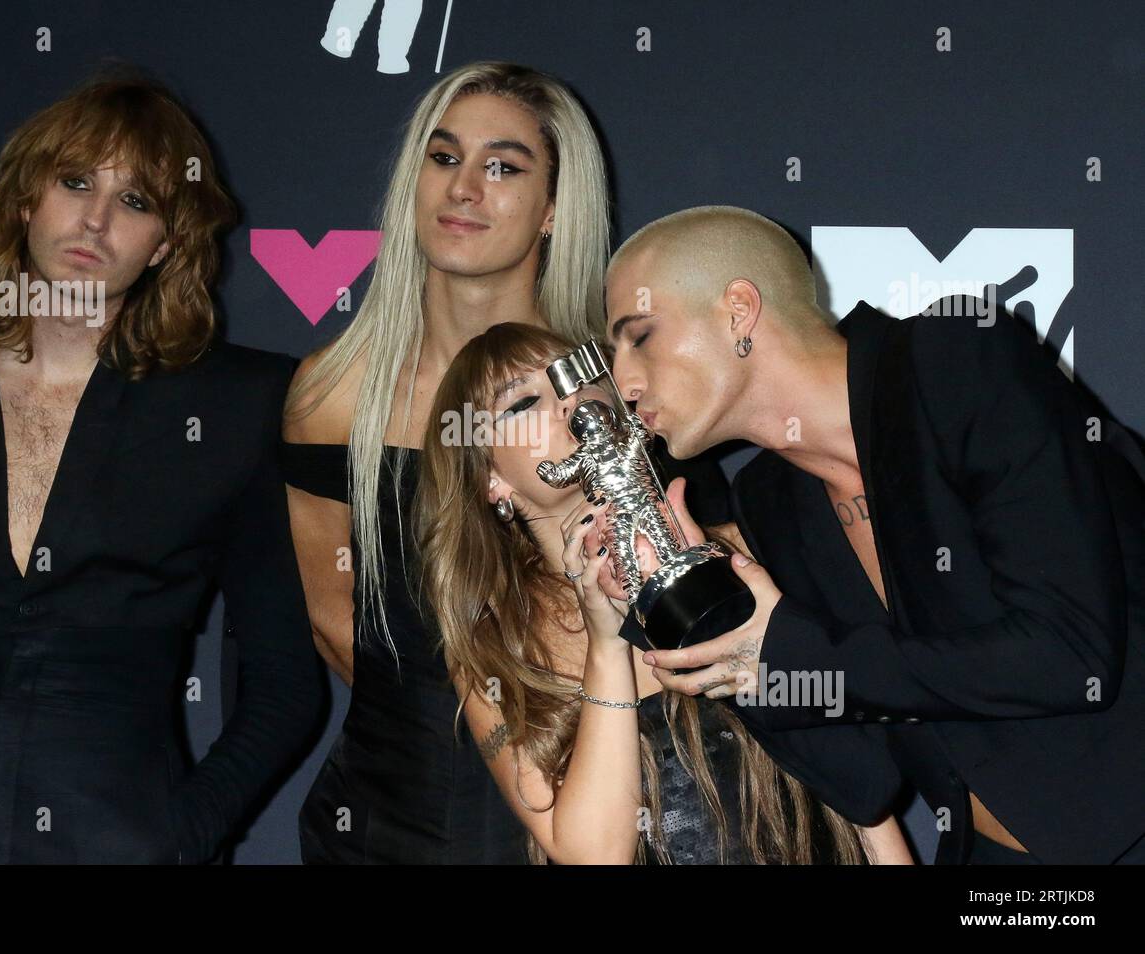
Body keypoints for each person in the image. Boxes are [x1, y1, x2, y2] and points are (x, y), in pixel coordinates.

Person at [0, 73, 325, 863]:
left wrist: (181, 834)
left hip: (119, 832)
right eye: (75, 182)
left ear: (166, 244)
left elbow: (283, 685)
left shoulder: (236, 410)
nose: (95, 220)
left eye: (136, 202)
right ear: (27, 199)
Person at [283, 61, 730, 863]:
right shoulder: (331, 395)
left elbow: (708, 621)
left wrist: (560, 746)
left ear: (555, 208)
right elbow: (332, 616)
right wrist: (480, 725)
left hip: (589, 802)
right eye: (443, 156)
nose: (463, 189)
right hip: (390, 817)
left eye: (502, 167)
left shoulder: (619, 392)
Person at [604, 205, 1145, 864]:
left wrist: (789, 654)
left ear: (738, 311)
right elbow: (865, 781)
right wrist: (707, 619)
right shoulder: (772, 502)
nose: (622, 382)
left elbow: (1067, 655)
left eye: (640, 336)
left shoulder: (952, 356)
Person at [412, 321, 912, 864]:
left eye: (578, 376)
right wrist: (605, 641)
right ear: (491, 480)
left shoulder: (742, 554)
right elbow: (594, 855)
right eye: (523, 402)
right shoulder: (495, 651)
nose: (569, 402)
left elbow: (856, 787)